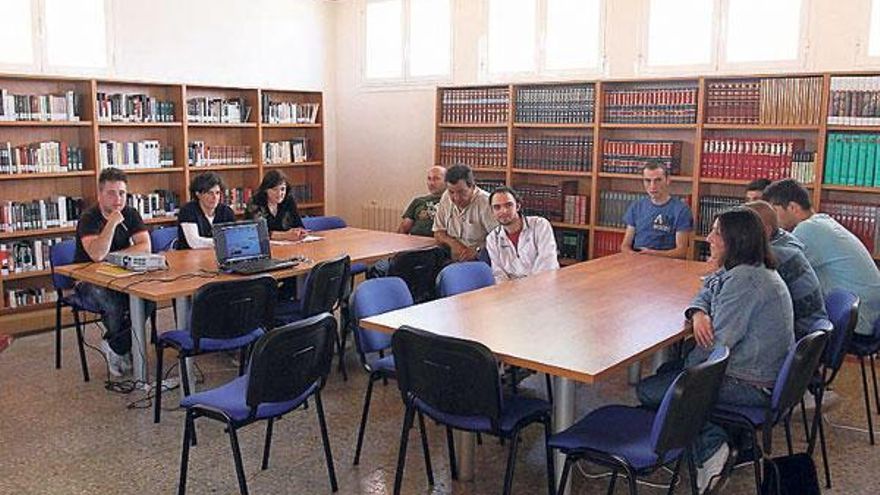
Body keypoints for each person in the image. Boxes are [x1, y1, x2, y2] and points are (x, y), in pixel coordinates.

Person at [637, 208, 794, 493]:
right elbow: (709, 287)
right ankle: (716, 437)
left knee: (651, 390)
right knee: (666, 374)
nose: (708, 238)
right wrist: (698, 312)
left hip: (752, 384)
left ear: (736, 241)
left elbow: (714, 349)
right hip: (755, 371)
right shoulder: (745, 269)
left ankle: (713, 448)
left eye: (716, 234)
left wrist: (687, 373)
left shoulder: (746, 282)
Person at [763, 178, 880, 337]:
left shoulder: (808, 230)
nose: (772, 220)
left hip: (858, 319)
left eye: (774, 212)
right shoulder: (821, 222)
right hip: (864, 311)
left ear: (793, 207)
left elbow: (772, 272)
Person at [74, 167, 154, 377]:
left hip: (119, 273)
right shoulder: (89, 218)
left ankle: (116, 345)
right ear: (100, 194)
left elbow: (145, 246)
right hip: (87, 279)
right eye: (111, 193)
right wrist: (111, 224)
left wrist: (116, 257)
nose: (118, 199)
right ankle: (123, 348)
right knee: (114, 302)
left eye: (122, 193)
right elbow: (97, 255)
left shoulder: (130, 213)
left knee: (148, 299)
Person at [745, 200, 828, 339]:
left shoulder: (775, 255)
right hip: (807, 329)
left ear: (765, 230)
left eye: (743, 229)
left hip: (800, 333)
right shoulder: (782, 239)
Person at [485, 186, 559, 283]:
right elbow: (499, 274)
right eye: (497, 207)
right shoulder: (492, 238)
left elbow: (547, 264)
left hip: (543, 286)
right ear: (492, 211)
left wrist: (526, 290)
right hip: (512, 292)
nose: (503, 211)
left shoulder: (540, 225)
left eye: (508, 205)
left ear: (518, 206)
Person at [620, 162, 693, 258]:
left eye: (658, 180)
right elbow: (625, 245)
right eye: (647, 181)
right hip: (637, 261)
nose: (652, 186)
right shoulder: (636, 206)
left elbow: (681, 252)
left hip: (666, 264)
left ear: (667, 180)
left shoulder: (681, 210)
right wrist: (634, 255)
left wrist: (652, 254)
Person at [433, 164, 498, 261]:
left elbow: (499, 239)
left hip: (480, 259)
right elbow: (438, 232)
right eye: (451, 192)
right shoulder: (446, 197)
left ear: (472, 186)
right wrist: (453, 243)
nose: (456, 198)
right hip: (451, 257)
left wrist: (478, 250)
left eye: (461, 192)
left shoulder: (487, 203)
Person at [176, 172, 236, 250]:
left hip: (218, 256)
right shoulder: (188, 211)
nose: (215, 197)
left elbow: (233, 238)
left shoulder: (226, 211)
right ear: (198, 194)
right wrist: (222, 242)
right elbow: (194, 242)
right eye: (210, 193)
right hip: (191, 257)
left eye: (217, 193)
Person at [245, 170, 308, 241]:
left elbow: (299, 224)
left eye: (282, 189)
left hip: (289, 246)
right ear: (266, 189)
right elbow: (257, 232)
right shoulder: (255, 202)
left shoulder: (288, 200)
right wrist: (285, 235)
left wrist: (300, 232)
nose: (279, 194)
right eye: (275, 189)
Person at [398, 165, 446, 237]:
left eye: (436, 179)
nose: (431, 183)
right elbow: (404, 228)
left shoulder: (452, 202)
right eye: (429, 179)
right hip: (415, 241)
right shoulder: (418, 201)